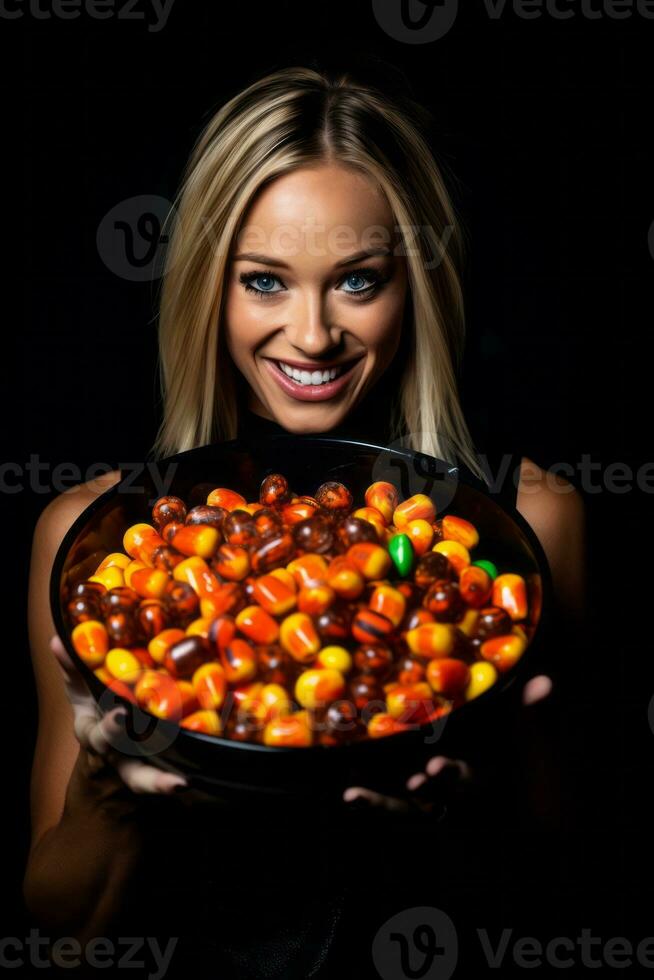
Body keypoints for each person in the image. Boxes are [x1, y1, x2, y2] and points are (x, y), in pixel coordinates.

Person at [23, 66, 586, 978]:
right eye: (265, 282)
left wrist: (470, 820)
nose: (314, 334)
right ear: (209, 288)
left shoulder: (531, 526)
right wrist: (108, 791)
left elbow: (569, 897)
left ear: (416, 291)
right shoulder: (88, 539)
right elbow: (63, 936)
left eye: (358, 281)